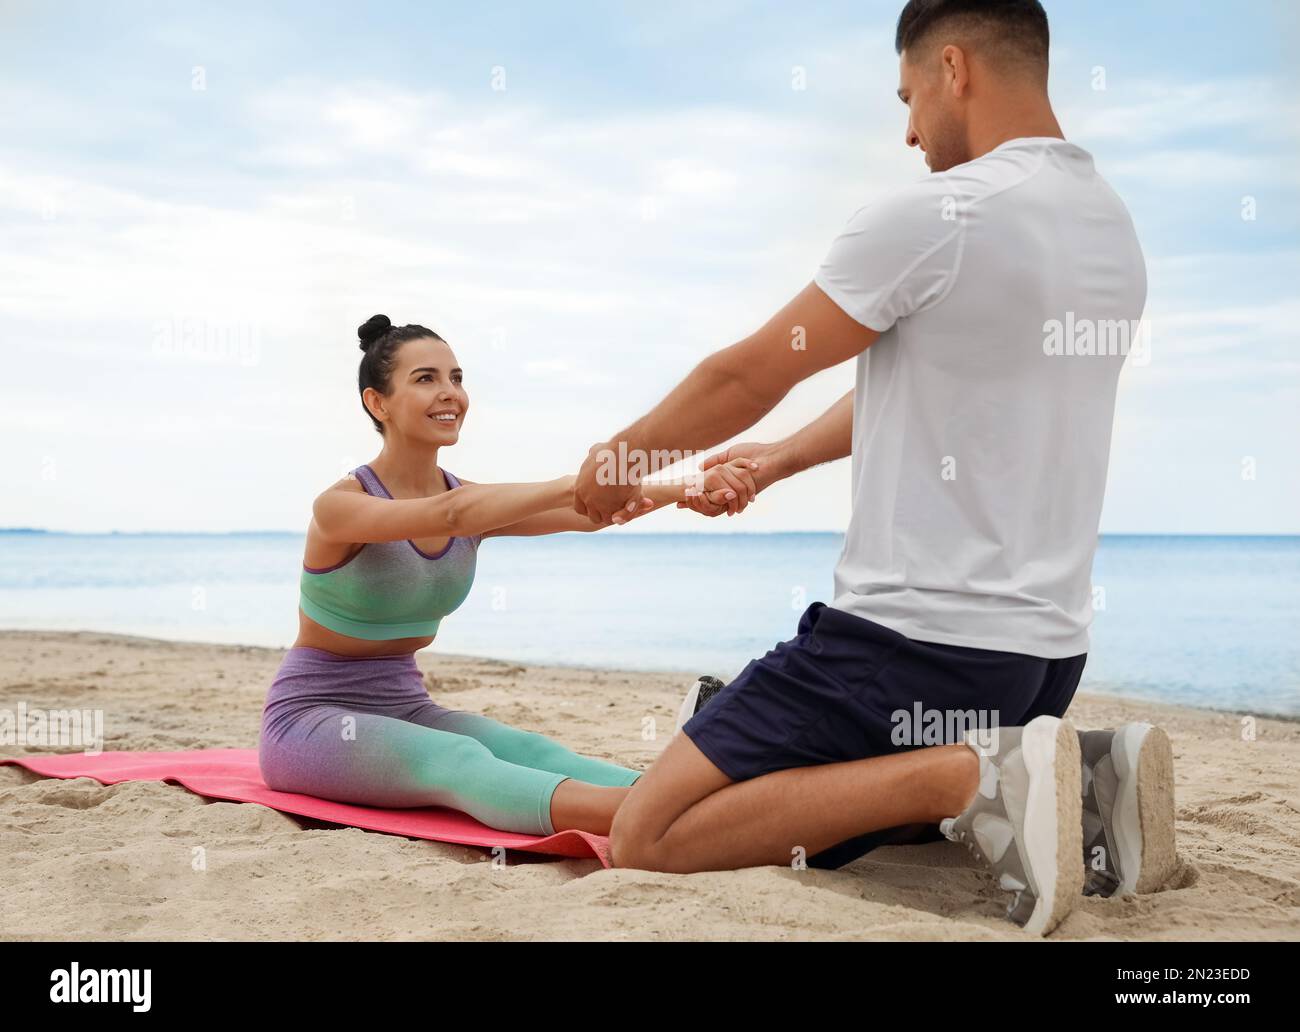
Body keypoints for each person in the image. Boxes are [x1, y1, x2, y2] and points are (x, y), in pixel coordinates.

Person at [575, 0, 1177, 935]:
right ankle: (1087, 774)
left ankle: (984, 770)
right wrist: (775, 462)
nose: (906, 130)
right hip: (1041, 660)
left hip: (907, 650)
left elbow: (749, 370)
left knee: (650, 834)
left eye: (907, 98)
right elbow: (927, 388)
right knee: (830, 801)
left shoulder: (942, 213)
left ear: (953, 67)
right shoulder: (1110, 229)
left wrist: (622, 460)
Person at [258, 314, 759, 839]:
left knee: (530, 751)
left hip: (406, 706)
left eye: (456, 377)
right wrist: (581, 482)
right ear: (376, 402)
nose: (450, 392)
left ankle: (697, 798)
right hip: (310, 720)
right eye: (425, 378)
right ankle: (684, 821)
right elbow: (455, 514)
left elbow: (587, 514)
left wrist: (691, 486)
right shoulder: (341, 507)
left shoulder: (471, 502)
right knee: (457, 759)